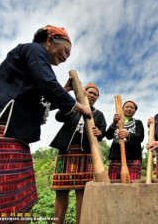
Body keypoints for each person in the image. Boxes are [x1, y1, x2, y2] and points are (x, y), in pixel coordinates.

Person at [0, 25, 91, 223]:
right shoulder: (34, 50)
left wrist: (63, 92)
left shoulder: (37, 68)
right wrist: (80, 107)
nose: (66, 57)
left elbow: (40, 102)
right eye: (66, 51)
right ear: (49, 40)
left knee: (19, 203)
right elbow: (48, 84)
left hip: (17, 138)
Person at [50, 83, 106, 224]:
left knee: (82, 191)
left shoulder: (98, 115)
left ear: (97, 98)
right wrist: (74, 105)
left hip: (86, 155)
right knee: (61, 191)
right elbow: (58, 116)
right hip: (66, 152)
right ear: (84, 93)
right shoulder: (72, 107)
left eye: (95, 94)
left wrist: (99, 133)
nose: (92, 95)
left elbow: (103, 131)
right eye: (90, 92)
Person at [106, 100, 144, 180]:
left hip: (133, 157)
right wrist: (113, 123)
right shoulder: (116, 122)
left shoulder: (138, 123)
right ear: (122, 109)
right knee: (114, 184)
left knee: (133, 184)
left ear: (135, 111)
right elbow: (108, 136)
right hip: (116, 156)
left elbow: (140, 137)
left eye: (132, 108)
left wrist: (128, 135)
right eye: (127, 107)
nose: (129, 109)